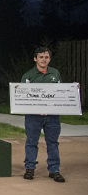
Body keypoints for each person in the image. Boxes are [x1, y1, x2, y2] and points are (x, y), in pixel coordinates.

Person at [21, 47, 65, 183]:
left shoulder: (55, 73)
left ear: (49, 59)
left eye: (46, 57)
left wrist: (73, 90)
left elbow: (61, 92)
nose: (44, 60)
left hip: (52, 116)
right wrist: (35, 108)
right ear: (35, 59)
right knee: (31, 141)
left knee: (52, 142)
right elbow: (22, 97)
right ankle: (30, 168)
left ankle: (54, 170)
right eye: (41, 57)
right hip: (33, 116)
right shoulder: (28, 76)